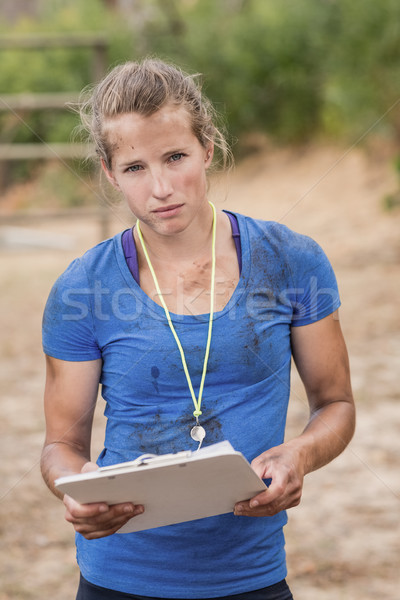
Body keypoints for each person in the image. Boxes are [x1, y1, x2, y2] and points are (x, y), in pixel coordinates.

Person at [40, 58, 355, 600]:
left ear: (207, 148)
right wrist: (75, 490)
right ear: (109, 173)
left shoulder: (292, 260)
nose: (161, 187)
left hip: (250, 575)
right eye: (135, 167)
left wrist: (298, 454)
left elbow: (336, 403)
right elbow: (61, 443)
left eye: (176, 157)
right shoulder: (80, 289)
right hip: (120, 576)